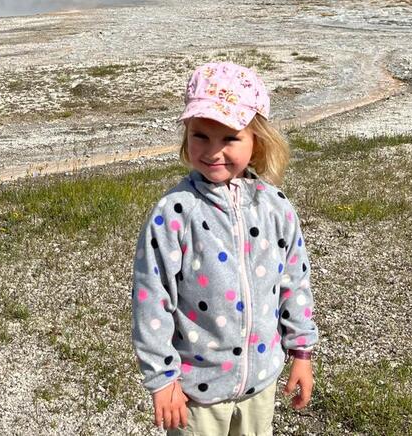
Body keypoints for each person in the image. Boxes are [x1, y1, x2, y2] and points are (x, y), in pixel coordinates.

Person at [131, 61, 317, 435]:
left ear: (257, 141)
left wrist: (301, 353)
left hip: (259, 382)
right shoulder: (173, 213)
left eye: (230, 138)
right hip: (195, 390)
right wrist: (162, 378)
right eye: (201, 136)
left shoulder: (275, 206)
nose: (213, 151)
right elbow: (151, 298)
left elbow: (294, 283)